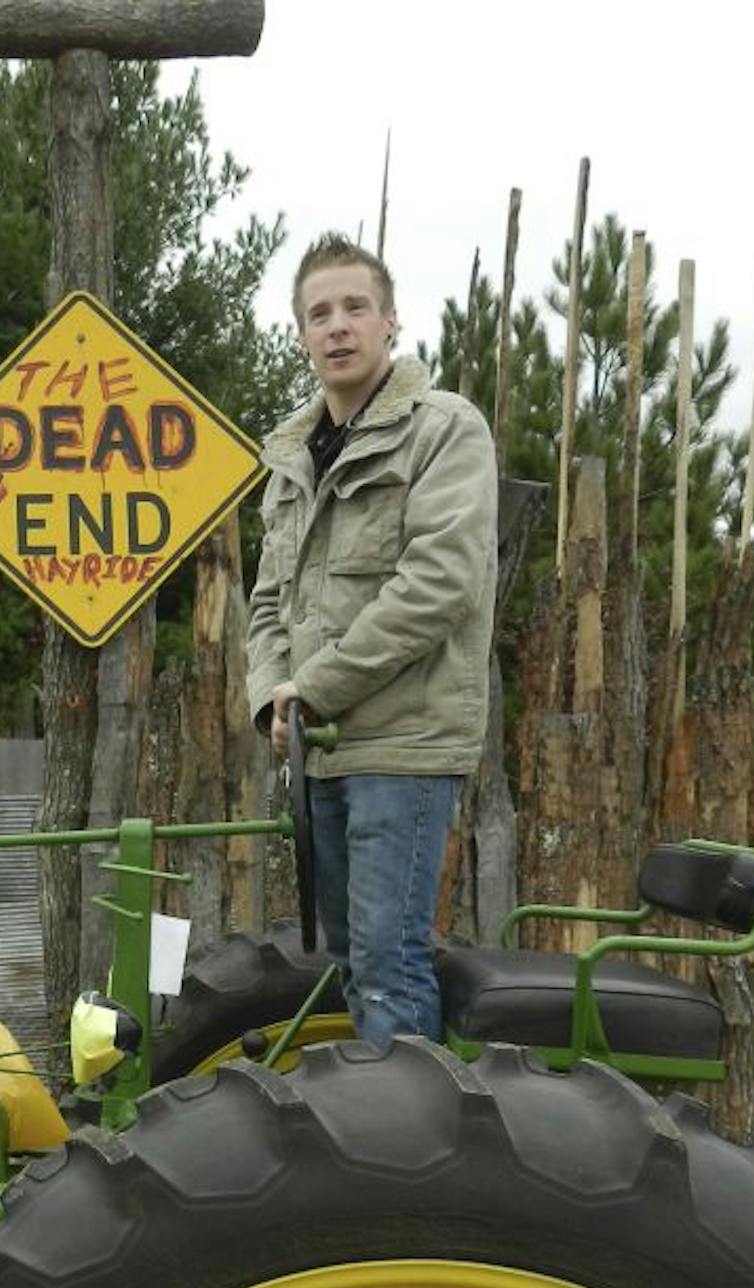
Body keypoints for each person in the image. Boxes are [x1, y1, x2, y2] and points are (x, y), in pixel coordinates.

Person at [246, 233, 498, 1048]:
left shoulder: (444, 431)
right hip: (317, 749)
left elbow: (438, 586)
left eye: (356, 307)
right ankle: (383, 1138)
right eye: (320, 313)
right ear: (301, 337)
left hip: (405, 747)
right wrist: (272, 703)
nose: (338, 326)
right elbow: (265, 605)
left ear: (392, 322)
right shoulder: (290, 458)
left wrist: (313, 685)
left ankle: (407, 1163)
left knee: (390, 965)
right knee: (351, 964)